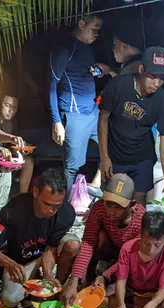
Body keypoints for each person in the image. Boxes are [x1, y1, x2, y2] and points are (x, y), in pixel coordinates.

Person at [0, 168, 79, 308]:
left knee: (73, 244)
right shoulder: (15, 208)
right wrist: (9, 263)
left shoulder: (66, 212)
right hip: (19, 261)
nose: (51, 211)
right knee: (11, 299)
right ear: (35, 192)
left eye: (56, 206)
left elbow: (51, 248)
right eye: (47, 204)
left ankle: (55, 289)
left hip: (45, 255)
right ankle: (34, 278)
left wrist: (48, 275)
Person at [99, 47, 164, 205]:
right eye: (152, 77)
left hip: (143, 158)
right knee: (113, 203)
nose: (157, 83)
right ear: (141, 69)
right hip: (115, 157)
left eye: (162, 79)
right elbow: (103, 119)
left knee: (138, 205)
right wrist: (104, 157)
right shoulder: (118, 85)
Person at [60, 173, 146, 305]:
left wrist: (105, 276)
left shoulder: (140, 218)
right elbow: (88, 244)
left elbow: (131, 257)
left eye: (117, 207)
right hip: (109, 246)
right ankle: (88, 276)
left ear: (132, 204)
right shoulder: (99, 208)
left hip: (129, 255)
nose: (111, 212)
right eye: (108, 204)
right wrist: (74, 278)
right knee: (100, 237)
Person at [49, 14, 109, 194]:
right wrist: (56, 121)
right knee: (72, 166)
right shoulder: (64, 50)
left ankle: (97, 185)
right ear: (81, 23)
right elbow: (51, 84)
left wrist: (99, 71)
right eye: (94, 27)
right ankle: (63, 208)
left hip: (93, 111)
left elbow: (84, 72)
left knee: (111, 149)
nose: (97, 32)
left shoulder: (87, 48)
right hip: (74, 113)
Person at [99, 211, 164, 308]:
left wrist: (152, 304)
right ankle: (134, 307)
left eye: (157, 245)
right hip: (131, 291)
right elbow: (121, 281)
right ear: (140, 233)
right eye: (146, 243)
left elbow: (163, 290)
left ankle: (137, 307)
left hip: (154, 294)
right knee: (102, 299)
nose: (151, 250)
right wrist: (121, 303)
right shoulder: (128, 248)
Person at [0, 94, 35, 194]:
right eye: (7, 105)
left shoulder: (11, 123)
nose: (11, 111)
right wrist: (11, 138)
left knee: (28, 162)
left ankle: (22, 197)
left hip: (2, 159)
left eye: (14, 108)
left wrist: (20, 151)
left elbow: (10, 147)